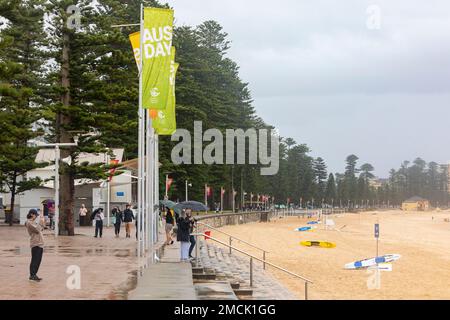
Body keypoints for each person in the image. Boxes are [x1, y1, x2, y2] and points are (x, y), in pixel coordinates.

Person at [25, 209, 45, 282]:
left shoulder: (33, 222)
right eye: (35, 215)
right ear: (31, 214)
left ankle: (34, 274)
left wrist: (42, 219)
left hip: (39, 243)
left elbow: (42, 228)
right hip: (36, 243)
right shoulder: (29, 222)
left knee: (38, 260)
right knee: (35, 260)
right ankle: (32, 275)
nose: (36, 217)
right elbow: (37, 229)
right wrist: (41, 221)